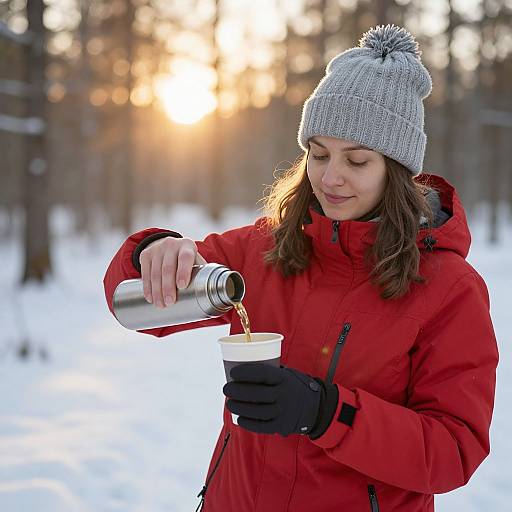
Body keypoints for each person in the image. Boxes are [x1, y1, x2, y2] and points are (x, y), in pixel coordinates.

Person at [103, 24, 499, 512]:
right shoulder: (264, 249)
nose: (331, 178)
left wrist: (327, 411)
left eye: (357, 161)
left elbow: (453, 451)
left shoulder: (449, 288)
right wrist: (152, 252)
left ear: (396, 170)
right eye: (318, 154)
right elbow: (133, 303)